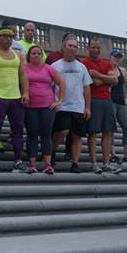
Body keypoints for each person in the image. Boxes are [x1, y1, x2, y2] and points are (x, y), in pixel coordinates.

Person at [0, 24, 29, 173]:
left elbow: (23, 75)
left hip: (15, 96)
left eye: (11, 37)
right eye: (5, 36)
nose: (8, 39)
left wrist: (25, 92)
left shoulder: (18, 55)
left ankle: (18, 161)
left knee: (18, 129)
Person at [51, 38, 92, 173]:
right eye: (70, 45)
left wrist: (87, 107)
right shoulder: (55, 66)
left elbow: (87, 87)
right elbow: (50, 86)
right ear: (63, 47)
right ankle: (52, 150)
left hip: (78, 106)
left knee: (77, 136)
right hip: (61, 106)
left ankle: (75, 163)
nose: (72, 48)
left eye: (75, 46)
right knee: (62, 131)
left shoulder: (81, 67)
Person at [23, 45, 65, 174]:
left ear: (42, 56)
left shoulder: (48, 68)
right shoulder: (23, 67)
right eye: (34, 53)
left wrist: (59, 100)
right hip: (29, 106)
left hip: (47, 106)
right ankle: (32, 164)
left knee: (46, 135)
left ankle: (48, 164)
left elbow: (62, 83)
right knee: (32, 134)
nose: (36, 55)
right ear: (29, 56)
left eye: (39, 53)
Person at [82, 39, 121, 174]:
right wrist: (106, 79)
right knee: (93, 132)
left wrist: (98, 75)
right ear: (88, 48)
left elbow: (115, 80)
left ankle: (106, 163)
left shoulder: (106, 63)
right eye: (93, 47)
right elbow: (94, 82)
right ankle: (94, 163)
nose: (96, 50)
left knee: (108, 132)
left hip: (107, 100)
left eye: (98, 48)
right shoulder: (84, 63)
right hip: (93, 99)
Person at [109, 49, 127, 165]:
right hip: (111, 101)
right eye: (115, 57)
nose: (117, 59)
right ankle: (113, 154)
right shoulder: (107, 69)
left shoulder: (123, 70)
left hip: (121, 102)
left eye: (119, 57)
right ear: (111, 57)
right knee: (111, 129)